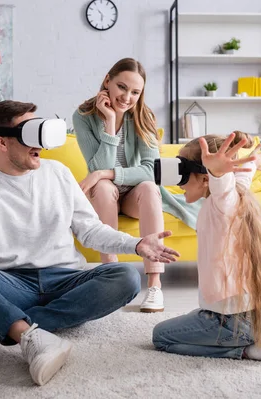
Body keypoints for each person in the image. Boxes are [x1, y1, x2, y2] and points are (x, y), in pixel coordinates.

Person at [0, 100, 180, 386]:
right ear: (2, 143)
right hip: (11, 285)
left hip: (66, 281)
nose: (40, 143)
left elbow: (90, 230)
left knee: (126, 277)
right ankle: (30, 336)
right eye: (29, 133)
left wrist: (137, 244)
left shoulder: (58, 173)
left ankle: (3, 325)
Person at [152, 132, 261, 360]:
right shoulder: (237, 197)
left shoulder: (222, 205)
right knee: (195, 316)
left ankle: (248, 349)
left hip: (230, 322)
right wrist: (250, 164)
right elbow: (239, 180)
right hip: (254, 315)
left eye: (183, 173)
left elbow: (223, 186)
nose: (179, 183)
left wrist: (218, 172)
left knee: (161, 336)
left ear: (206, 178)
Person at [73, 57, 201, 313]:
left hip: (134, 194)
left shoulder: (144, 117)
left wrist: (104, 174)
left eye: (135, 92)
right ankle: (111, 276)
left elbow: (149, 171)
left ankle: (154, 285)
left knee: (149, 188)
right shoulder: (83, 116)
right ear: (107, 81)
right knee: (104, 187)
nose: (127, 97)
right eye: (122, 87)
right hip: (103, 194)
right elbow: (98, 167)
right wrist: (110, 122)